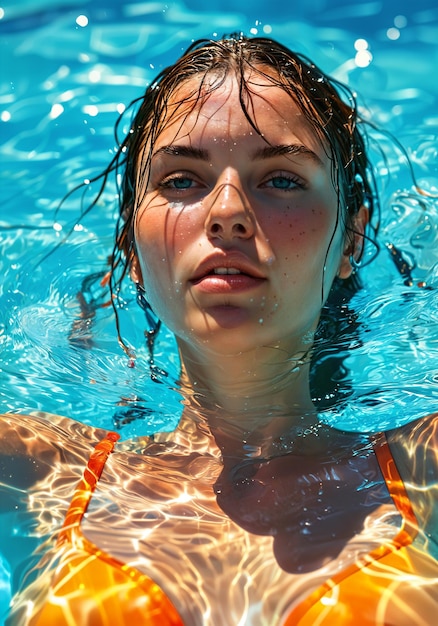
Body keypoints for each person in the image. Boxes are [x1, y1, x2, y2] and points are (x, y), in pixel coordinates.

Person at [1, 35, 437, 626]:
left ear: (350, 240)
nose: (227, 210)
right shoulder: (38, 465)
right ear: (131, 245)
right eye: (181, 180)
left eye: (281, 178)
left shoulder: (423, 465)